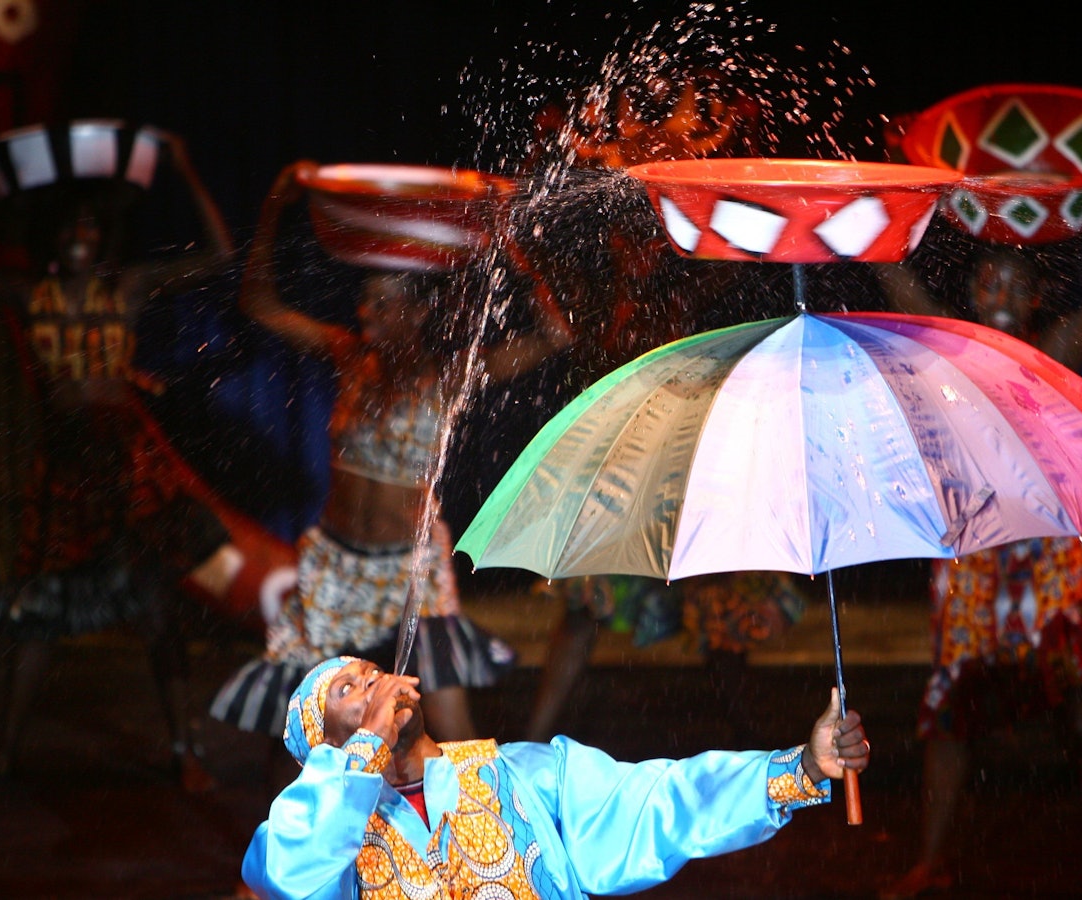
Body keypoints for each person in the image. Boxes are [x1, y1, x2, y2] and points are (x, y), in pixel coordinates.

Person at [209, 161, 573, 786]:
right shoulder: (349, 356)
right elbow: (258, 303)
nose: (364, 311)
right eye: (365, 299)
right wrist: (276, 203)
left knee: (449, 710)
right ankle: (315, 835)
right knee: (310, 711)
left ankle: (488, 819)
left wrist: (502, 236)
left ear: (417, 312)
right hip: (338, 561)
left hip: (411, 563)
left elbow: (557, 334)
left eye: (380, 302)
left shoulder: (451, 372)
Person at [875, 158, 1082, 900]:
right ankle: (932, 861)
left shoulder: (1050, 358)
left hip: (1047, 561)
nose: (1000, 291)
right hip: (976, 557)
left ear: (1036, 296)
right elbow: (892, 275)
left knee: (1080, 723)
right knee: (950, 719)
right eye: (987, 280)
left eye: (1014, 283)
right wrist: (876, 199)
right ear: (972, 293)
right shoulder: (945, 354)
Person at [0, 131, 238, 791]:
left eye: (93, 222)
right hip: (64, 472)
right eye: (72, 222)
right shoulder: (23, 290)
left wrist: (182, 166)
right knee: (40, 615)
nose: (83, 232)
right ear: (52, 232)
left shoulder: (125, 288)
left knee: (154, 607)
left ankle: (186, 750)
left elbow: (218, 254)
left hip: (126, 470)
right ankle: (4, 751)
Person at [241, 654, 871, 900]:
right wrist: (365, 752)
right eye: (347, 690)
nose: (372, 683)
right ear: (322, 751)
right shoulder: (325, 841)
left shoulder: (521, 775)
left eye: (371, 670)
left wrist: (804, 766)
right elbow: (283, 875)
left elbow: (664, 800)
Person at [524, 571, 807, 746]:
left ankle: (746, 732)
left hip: (719, 543)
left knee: (729, 613)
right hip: (650, 532)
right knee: (585, 601)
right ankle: (532, 740)